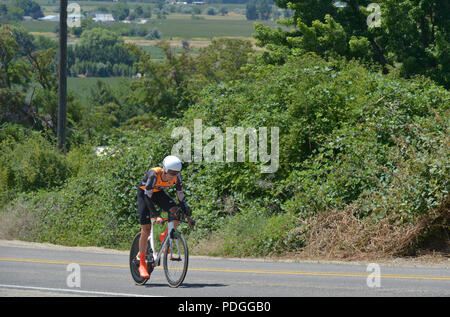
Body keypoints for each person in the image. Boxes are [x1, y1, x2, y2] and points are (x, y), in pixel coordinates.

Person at [136, 155, 194, 279]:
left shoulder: (177, 177)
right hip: (145, 195)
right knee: (146, 228)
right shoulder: (154, 175)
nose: (172, 176)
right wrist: (157, 215)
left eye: (175, 173)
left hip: (158, 193)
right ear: (164, 169)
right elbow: (147, 197)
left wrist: (188, 216)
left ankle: (165, 236)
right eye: (170, 173)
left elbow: (181, 198)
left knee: (176, 212)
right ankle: (141, 264)